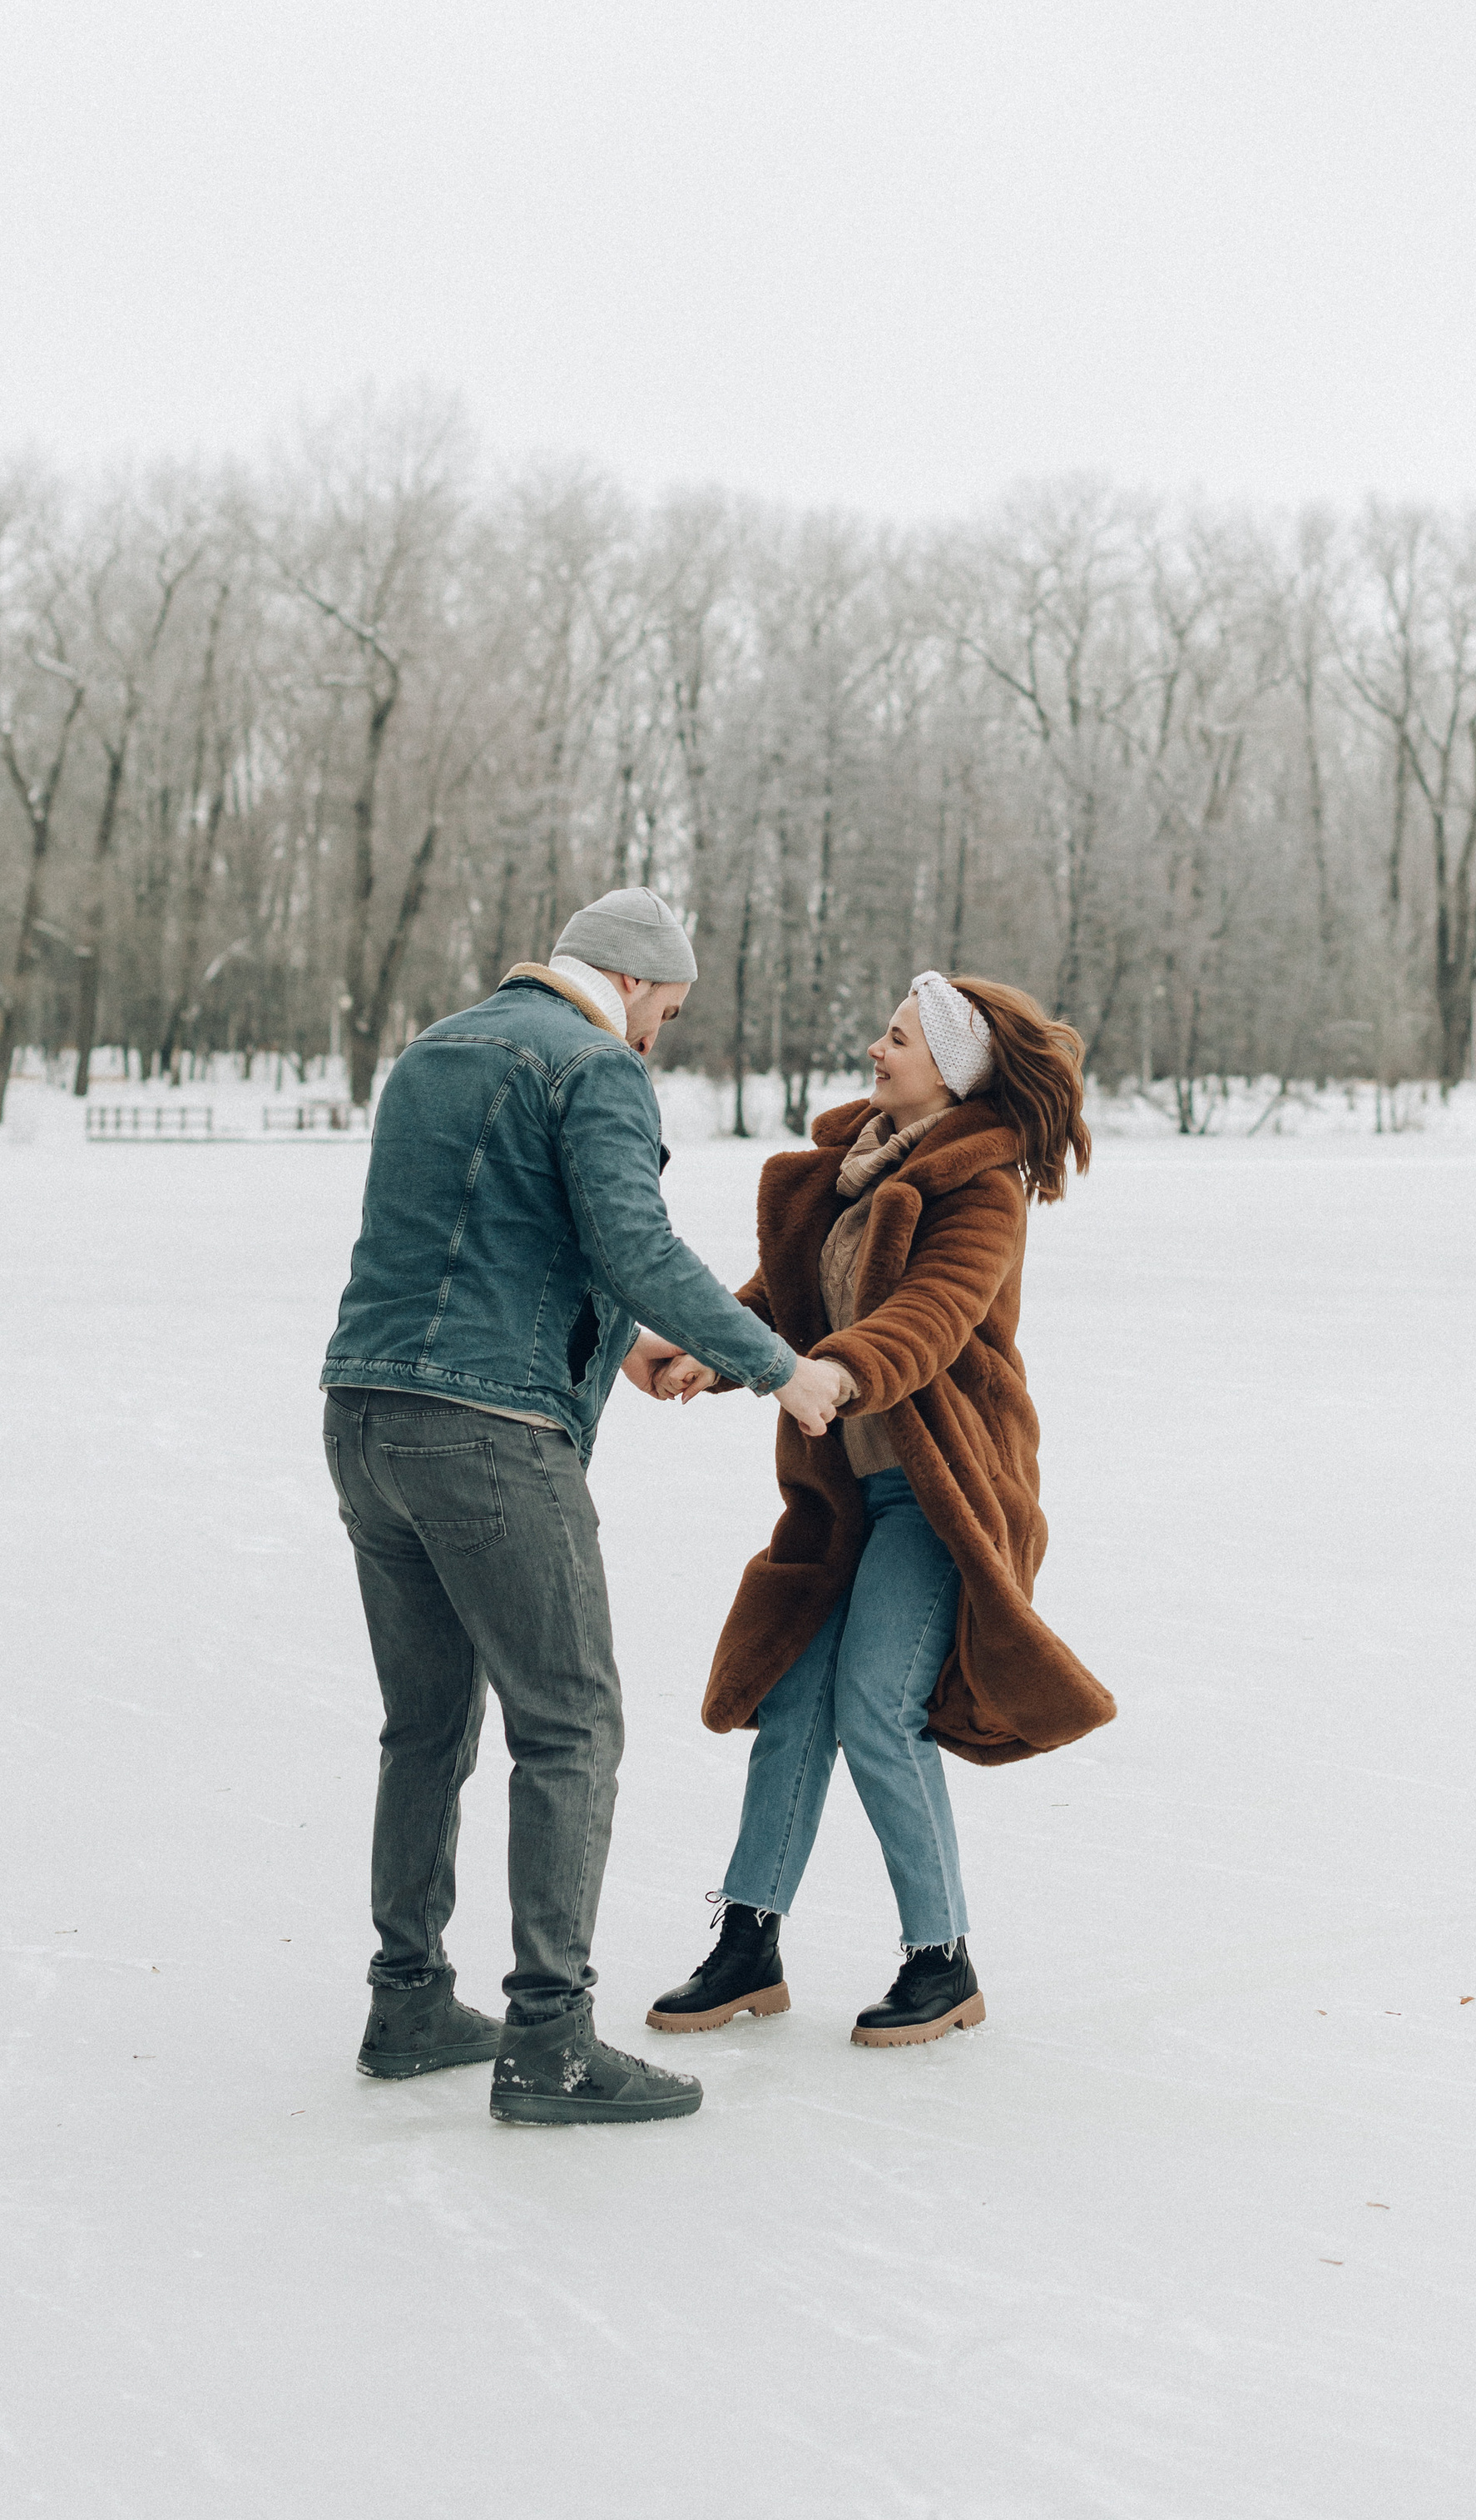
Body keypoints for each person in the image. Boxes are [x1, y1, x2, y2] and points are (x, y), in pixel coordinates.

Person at [319, 886, 845, 2128]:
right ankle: (550, 2037)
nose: (665, 1026)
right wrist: (786, 1365)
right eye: (670, 1002)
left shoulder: (435, 1051)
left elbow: (493, 1245)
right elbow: (634, 1243)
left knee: (427, 1726)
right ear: (635, 980)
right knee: (572, 1725)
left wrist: (629, 1348)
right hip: (490, 1435)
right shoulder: (597, 1067)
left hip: (363, 1413)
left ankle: (409, 2000)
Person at [641, 971, 1117, 2050]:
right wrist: (710, 1356)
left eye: (895, 1037)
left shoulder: (980, 1188)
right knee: (794, 1692)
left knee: (873, 1700)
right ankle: (749, 1939)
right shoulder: (853, 1167)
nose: (874, 1048)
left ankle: (942, 1958)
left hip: (940, 1487)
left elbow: (932, 1315)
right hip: (845, 1491)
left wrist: (838, 1376)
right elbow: (780, 1299)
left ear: (947, 1068)